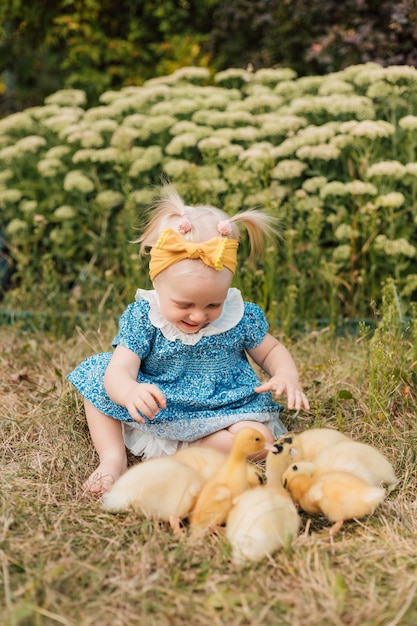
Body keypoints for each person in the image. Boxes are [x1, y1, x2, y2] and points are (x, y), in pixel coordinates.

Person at [68, 185, 310, 493]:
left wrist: (286, 373)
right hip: (161, 403)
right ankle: (113, 459)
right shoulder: (145, 316)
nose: (198, 316)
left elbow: (271, 349)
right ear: (157, 283)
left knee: (260, 440)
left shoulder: (239, 315)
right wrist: (129, 391)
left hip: (227, 407)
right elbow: (120, 369)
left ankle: (188, 454)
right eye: (184, 305)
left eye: (213, 304)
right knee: (99, 377)